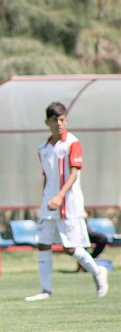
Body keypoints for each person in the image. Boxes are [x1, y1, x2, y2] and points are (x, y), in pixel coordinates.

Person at [25, 102, 108, 301]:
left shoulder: (72, 143)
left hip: (68, 203)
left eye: (62, 119)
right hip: (49, 204)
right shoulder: (43, 148)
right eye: (55, 120)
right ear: (47, 122)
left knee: (69, 247)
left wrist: (60, 196)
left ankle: (98, 272)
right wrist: (45, 199)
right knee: (43, 244)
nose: (59, 124)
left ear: (66, 120)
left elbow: (74, 174)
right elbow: (47, 177)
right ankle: (46, 290)